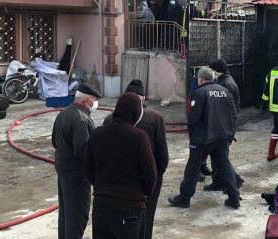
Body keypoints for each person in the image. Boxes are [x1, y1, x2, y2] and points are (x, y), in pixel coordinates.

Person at [85, 92, 157, 239]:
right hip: (130, 208)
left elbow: (87, 169)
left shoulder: (97, 134)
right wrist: (141, 195)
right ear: (136, 113)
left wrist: (102, 187)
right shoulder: (139, 137)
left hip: (102, 206)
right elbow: (150, 175)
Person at [103, 80, 168, 239]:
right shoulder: (155, 118)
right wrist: (153, 179)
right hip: (147, 180)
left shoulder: (109, 120)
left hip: (116, 182)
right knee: (146, 219)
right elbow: (162, 157)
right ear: (143, 98)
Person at [168, 67, 240, 209]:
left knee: (193, 168)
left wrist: (193, 138)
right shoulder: (225, 92)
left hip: (203, 138)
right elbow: (233, 115)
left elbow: (193, 119)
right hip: (222, 137)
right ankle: (234, 198)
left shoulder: (199, 93)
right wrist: (230, 135)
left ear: (200, 79)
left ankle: (184, 198)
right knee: (224, 166)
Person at [51, 83, 101, 239]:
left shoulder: (64, 114)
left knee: (66, 213)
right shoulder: (81, 120)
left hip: (64, 171)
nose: (96, 104)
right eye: (94, 100)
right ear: (87, 100)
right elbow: (83, 151)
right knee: (77, 215)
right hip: (77, 175)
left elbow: (54, 142)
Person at [203, 59, 244, 192]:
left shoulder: (226, 84)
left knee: (221, 157)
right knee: (215, 155)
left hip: (224, 125)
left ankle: (235, 180)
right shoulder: (224, 81)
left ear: (217, 71)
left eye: (212, 70)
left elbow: (227, 108)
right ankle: (218, 181)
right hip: (221, 124)